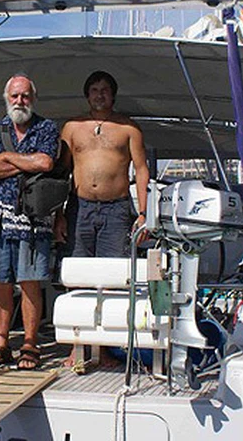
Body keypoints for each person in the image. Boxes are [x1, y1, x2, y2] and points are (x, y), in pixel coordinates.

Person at [60, 71, 149, 369]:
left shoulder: (128, 128)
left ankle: (105, 349)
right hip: (79, 209)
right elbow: (61, 173)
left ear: (113, 95)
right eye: (95, 90)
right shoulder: (72, 127)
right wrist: (58, 215)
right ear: (87, 95)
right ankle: (78, 348)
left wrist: (143, 213)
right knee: (77, 277)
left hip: (117, 210)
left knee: (113, 279)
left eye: (105, 90)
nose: (100, 94)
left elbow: (141, 170)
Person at [0, 74, 60, 370]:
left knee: (30, 282)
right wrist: (26, 163)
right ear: (6, 98)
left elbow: (46, 163)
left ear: (33, 98)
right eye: (14, 96)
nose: (20, 101)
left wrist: (7, 157)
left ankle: (30, 342)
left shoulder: (47, 128)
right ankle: (1, 342)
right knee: (0, 281)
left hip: (33, 219)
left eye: (25, 95)